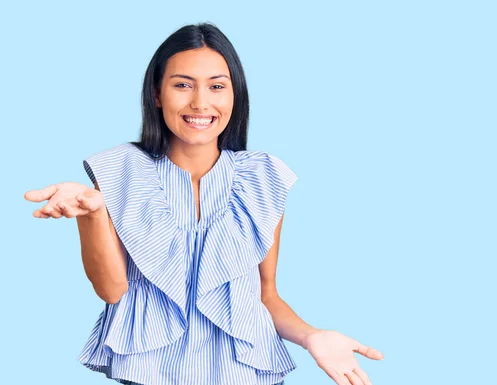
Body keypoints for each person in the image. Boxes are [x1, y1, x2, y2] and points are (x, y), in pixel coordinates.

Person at [24, 23, 384, 385]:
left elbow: (264, 295)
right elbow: (113, 290)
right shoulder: (122, 170)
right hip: (150, 374)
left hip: (247, 375)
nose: (200, 102)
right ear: (157, 94)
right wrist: (92, 214)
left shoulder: (261, 178)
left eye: (216, 86)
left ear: (234, 95)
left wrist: (312, 336)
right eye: (182, 85)